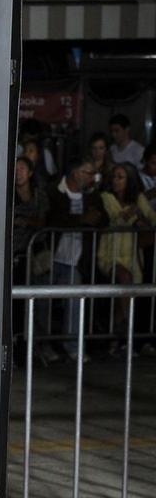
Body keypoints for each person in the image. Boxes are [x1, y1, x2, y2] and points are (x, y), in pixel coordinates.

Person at [46, 158, 108, 361]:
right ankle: (41, 345)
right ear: (75, 172)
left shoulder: (92, 195)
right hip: (50, 256)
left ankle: (72, 345)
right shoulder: (54, 191)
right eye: (88, 172)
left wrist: (96, 217)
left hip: (77, 259)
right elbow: (51, 220)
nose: (92, 177)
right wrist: (81, 220)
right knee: (39, 301)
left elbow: (104, 219)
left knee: (74, 300)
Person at [97, 162, 156, 355]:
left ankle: (116, 340)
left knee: (123, 295)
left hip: (132, 256)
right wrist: (135, 217)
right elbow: (116, 216)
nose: (116, 180)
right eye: (114, 176)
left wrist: (143, 219)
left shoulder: (138, 198)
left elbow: (151, 217)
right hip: (110, 253)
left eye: (121, 177)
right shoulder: (106, 197)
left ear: (129, 180)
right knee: (124, 282)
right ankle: (127, 336)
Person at [13, 156, 57, 364]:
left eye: (22, 168)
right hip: (16, 256)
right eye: (16, 168)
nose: (19, 172)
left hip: (38, 255)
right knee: (17, 304)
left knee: (40, 302)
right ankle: (18, 347)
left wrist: (27, 221)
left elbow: (45, 221)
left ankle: (39, 345)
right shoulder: (8, 196)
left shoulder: (40, 196)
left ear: (30, 172)